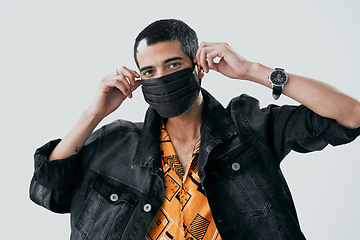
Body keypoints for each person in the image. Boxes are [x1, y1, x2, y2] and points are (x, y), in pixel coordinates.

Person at [30, 19, 360, 240]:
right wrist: (93, 113)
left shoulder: (249, 126)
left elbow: (351, 115)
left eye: (173, 65)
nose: (161, 77)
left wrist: (253, 71)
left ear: (197, 67)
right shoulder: (115, 142)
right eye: (149, 71)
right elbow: (49, 192)